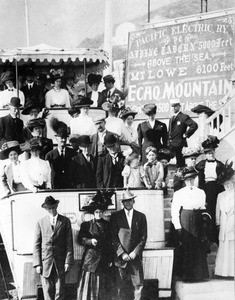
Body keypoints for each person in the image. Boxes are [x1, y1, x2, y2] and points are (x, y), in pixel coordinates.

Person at [171, 167, 209, 282]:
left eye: (192, 179)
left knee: (198, 244)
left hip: (197, 219)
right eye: (188, 180)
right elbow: (175, 211)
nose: (190, 182)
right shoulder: (179, 193)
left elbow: (203, 207)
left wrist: (204, 219)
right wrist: (178, 226)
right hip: (185, 218)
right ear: (184, 181)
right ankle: (187, 276)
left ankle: (199, 275)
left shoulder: (201, 192)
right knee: (187, 245)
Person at [33, 196, 74, 300]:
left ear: (57, 206)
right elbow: (36, 244)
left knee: (60, 291)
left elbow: (69, 243)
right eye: (49, 208)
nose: (51, 210)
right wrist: (37, 264)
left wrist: (68, 262)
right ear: (46, 209)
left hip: (60, 262)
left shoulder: (65, 221)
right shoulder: (40, 222)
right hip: (45, 262)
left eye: (53, 207)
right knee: (47, 291)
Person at [77, 190, 114, 300]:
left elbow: (111, 243)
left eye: (100, 212)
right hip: (91, 260)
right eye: (97, 212)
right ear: (93, 213)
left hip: (104, 259)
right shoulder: (86, 225)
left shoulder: (108, 225)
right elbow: (80, 239)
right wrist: (90, 241)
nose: (99, 214)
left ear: (103, 212)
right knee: (90, 288)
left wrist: (111, 258)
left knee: (103, 288)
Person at [110, 189, 147, 300]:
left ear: (133, 201)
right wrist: (122, 253)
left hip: (135, 258)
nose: (128, 203)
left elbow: (143, 237)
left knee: (138, 285)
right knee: (120, 287)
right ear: (122, 202)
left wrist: (135, 252)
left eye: (130, 200)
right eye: (125, 201)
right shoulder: (116, 216)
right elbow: (113, 237)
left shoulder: (141, 217)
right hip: (121, 260)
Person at [196, 136, 225, 243]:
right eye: (208, 153)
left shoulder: (220, 165)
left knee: (216, 211)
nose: (210, 155)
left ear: (214, 152)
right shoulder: (200, 165)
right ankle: (206, 238)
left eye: (212, 153)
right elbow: (198, 180)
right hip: (205, 189)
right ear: (205, 154)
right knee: (206, 212)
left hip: (217, 189)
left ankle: (216, 237)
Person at [215, 162, 234, 277]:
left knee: (232, 248)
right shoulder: (221, 196)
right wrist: (218, 223)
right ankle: (223, 272)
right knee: (224, 248)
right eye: (225, 183)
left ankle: (232, 272)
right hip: (223, 225)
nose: (227, 185)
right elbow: (218, 211)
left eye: (229, 183)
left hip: (233, 224)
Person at [45, 118, 77, 189]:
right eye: (61, 137)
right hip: (56, 185)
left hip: (70, 185)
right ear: (56, 139)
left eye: (65, 138)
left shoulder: (73, 153)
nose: (63, 140)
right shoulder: (50, 155)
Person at [168, 99, 198, 167]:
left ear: (179, 106)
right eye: (172, 106)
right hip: (171, 144)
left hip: (180, 144)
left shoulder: (183, 117)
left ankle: (180, 177)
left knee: (180, 163)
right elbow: (169, 131)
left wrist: (186, 134)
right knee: (168, 162)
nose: (173, 108)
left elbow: (194, 125)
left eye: (175, 106)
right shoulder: (171, 118)